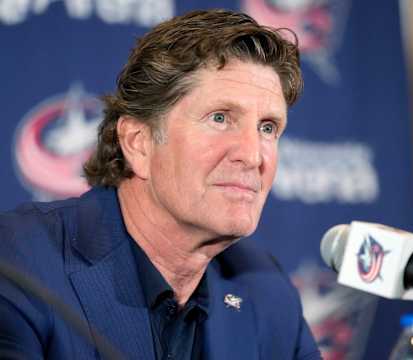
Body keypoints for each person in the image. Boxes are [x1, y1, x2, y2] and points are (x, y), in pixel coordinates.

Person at [0, 9, 321, 360]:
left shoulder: (265, 292)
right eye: (220, 118)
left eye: (267, 128)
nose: (253, 155)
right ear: (139, 142)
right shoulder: (20, 264)